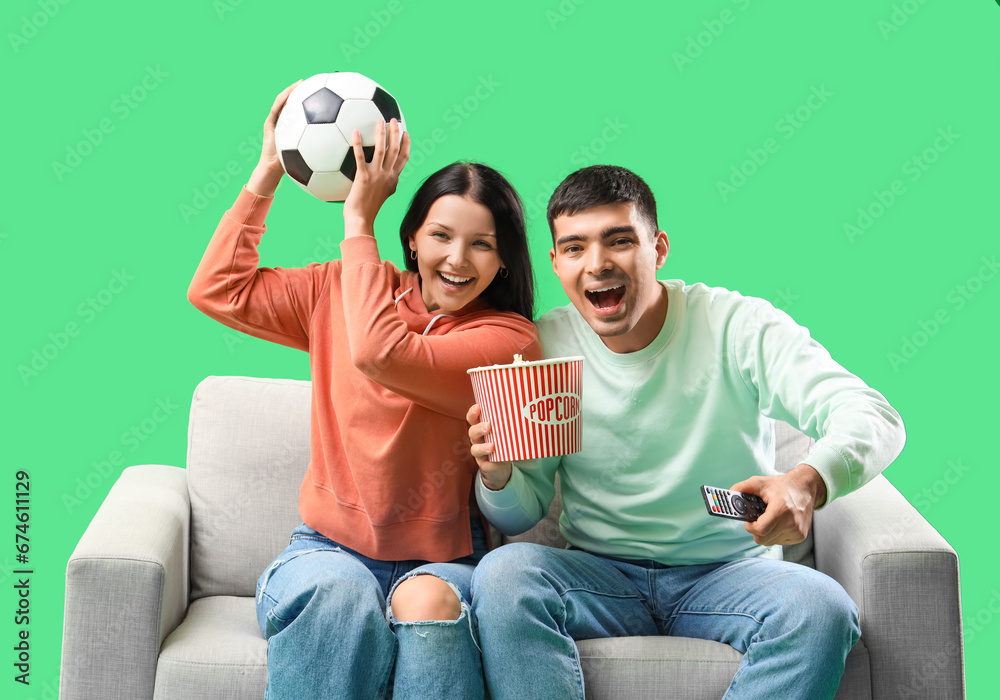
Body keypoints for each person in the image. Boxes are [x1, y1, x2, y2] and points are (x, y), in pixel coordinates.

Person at [467, 165, 906, 699]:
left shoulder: (737, 326)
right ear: (556, 261)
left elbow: (872, 413)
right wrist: (497, 477)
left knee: (822, 608)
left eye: (620, 240)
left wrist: (805, 481)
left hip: (727, 573)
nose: (598, 263)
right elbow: (523, 511)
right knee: (503, 574)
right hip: (599, 577)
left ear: (659, 248)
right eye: (575, 247)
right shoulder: (544, 345)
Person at [187, 80, 541, 699]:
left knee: (428, 603)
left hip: (443, 564)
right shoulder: (341, 289)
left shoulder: (508, 341)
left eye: (482, 244)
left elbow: (381, 353)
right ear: (412, 238)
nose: (457, 258)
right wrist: (268, 170)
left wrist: (358, 220)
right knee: (339, 594)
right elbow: (218, 289)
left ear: (504, 260)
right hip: (325, 555)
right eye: (440, 235)